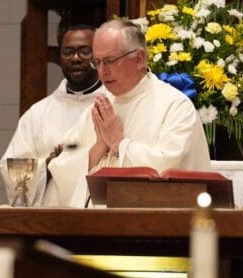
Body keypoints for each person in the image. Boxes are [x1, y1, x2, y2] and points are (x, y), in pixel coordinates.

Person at [47, 19, 211, 207]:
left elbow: (169, 171)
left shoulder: (175, 107)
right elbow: (62, 170)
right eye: (97, 62)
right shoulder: (98, 108)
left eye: (109, 61)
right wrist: (99, 148)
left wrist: (119, 144)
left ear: (139, 58)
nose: (101, 71)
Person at [0, 24, 104, 206]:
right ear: (59, 57)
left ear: (98, 55)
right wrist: (48, 165)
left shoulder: (112, 105)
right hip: (49, 218)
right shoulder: (38, 114)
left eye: (85, 51)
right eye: (68, 52)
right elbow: (11, 168)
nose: (76, 58)